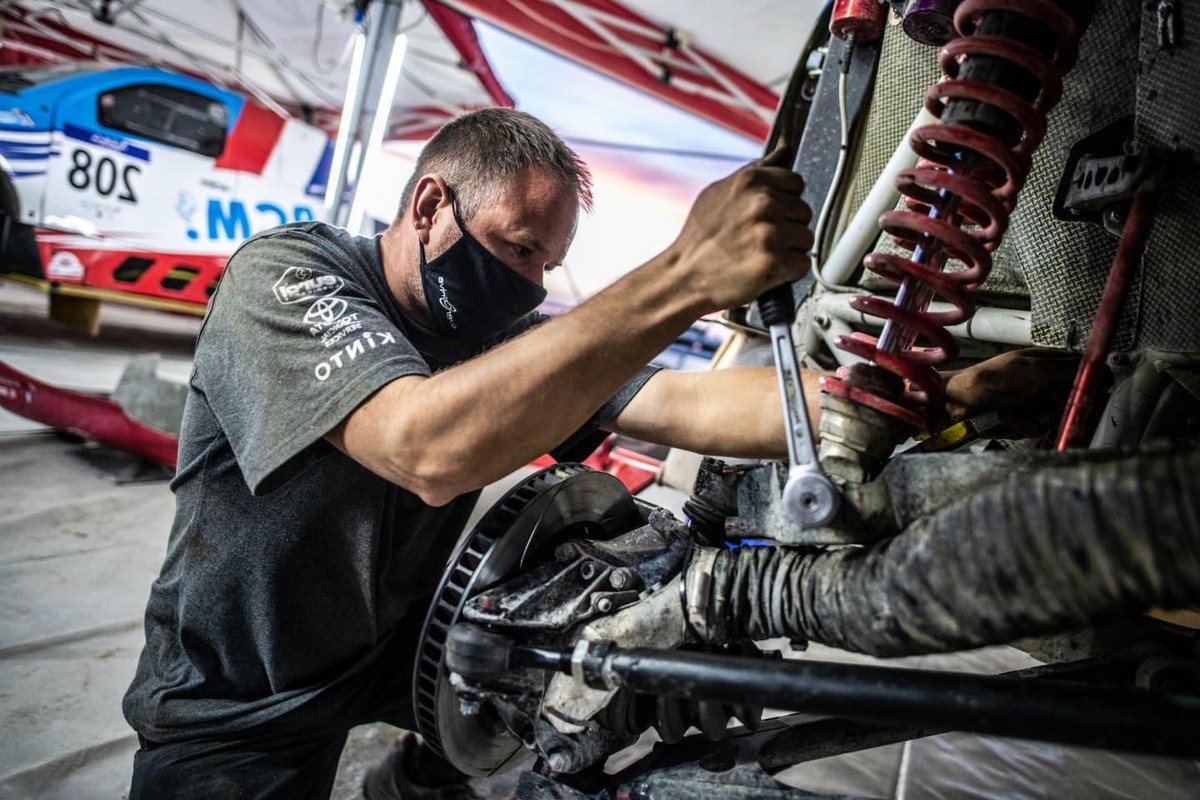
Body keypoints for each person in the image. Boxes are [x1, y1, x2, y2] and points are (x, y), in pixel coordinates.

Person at [122, 108, 1065, 799]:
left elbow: (688, 400)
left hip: (404, 639)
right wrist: (686, 274)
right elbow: (424, 446)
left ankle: (415, 779)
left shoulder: (501, 336)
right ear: (429, 204)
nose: (530, 282)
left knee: (549, 673)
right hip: (242, 683)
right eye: (519, 248)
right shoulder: (288, 277)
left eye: (545, 264)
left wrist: (931, 396)